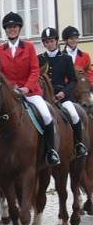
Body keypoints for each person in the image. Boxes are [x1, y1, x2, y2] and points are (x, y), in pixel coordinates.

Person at [0, 12, 60, 166]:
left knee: (46, 115)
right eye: (9, 27)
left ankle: (51, 151)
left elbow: (35, 70)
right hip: (9, 94)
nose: (12, 30)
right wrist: (10, 88)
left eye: (15, 27)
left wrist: (26, 88)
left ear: (19, 29)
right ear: (6, 30)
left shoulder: (29, 47)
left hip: (30, 92)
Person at [38, 27, 88, 157]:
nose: (49, 44)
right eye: (47, 42)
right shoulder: (39, 59)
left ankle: (78, 144)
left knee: (75, 115)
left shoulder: (66, 58)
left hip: (62, 97)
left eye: (52, 41)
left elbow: (73, 81)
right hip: (44, 97)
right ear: (44, 43)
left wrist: (63, 93)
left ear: (56, 41)